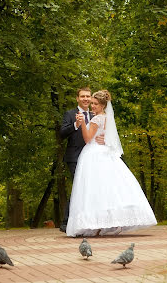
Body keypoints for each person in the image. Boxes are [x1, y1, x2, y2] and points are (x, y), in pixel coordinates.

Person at [66, 90, 157, 237]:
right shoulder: (107, 118)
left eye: (95, 104)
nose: (92, 106)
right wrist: (106, 141)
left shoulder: (96, 119)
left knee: (94, 189)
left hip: (93, 154)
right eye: (92, 103)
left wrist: (83, 123)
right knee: (108, 188)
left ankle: (97, 224)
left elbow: (88, 139)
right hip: (104, 153)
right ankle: (109, 222)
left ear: (102, 105)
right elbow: (110, 138)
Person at [59, 87, 104, 232]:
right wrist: (76, 125)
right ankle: (66, 223)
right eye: (82, 96)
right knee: (78, 187)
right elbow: (62, 133)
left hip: (94, 158)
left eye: (88, 96)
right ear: (77, 98)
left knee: (89, 189)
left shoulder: (95, 114)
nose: (86, 99)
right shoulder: (70, 114)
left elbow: (104, 131)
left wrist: (104, 139)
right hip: (75, 157)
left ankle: (88, 221)